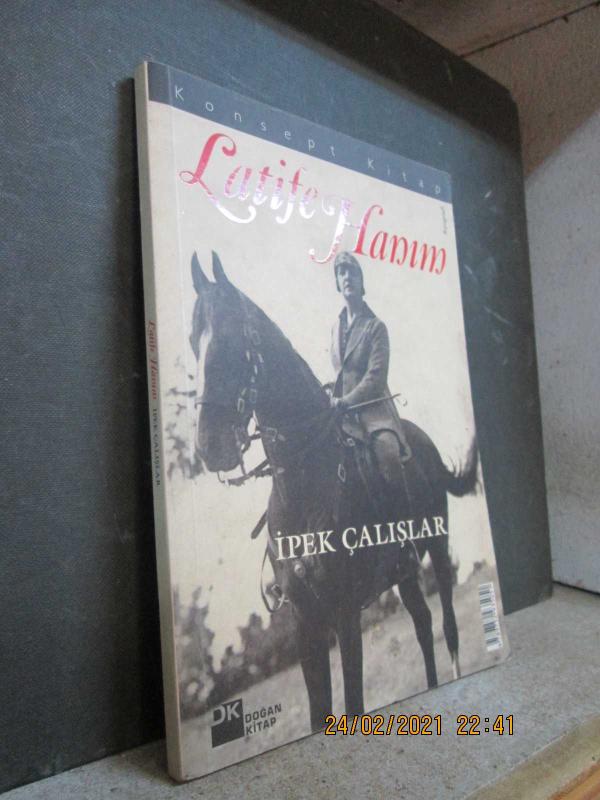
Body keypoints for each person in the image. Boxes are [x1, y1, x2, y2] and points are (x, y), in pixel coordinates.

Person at [329, 251, 411, 487]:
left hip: (374, 414)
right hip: (343, 415)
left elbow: (376, 378)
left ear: (361, 281)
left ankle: (401, 508)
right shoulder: (335, 328)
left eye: (353, 273)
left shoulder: (376, 327)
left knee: (388, 455)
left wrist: (346, 401)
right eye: (342, 273)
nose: (347, 277)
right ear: (337, 283)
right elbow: (340, 374)